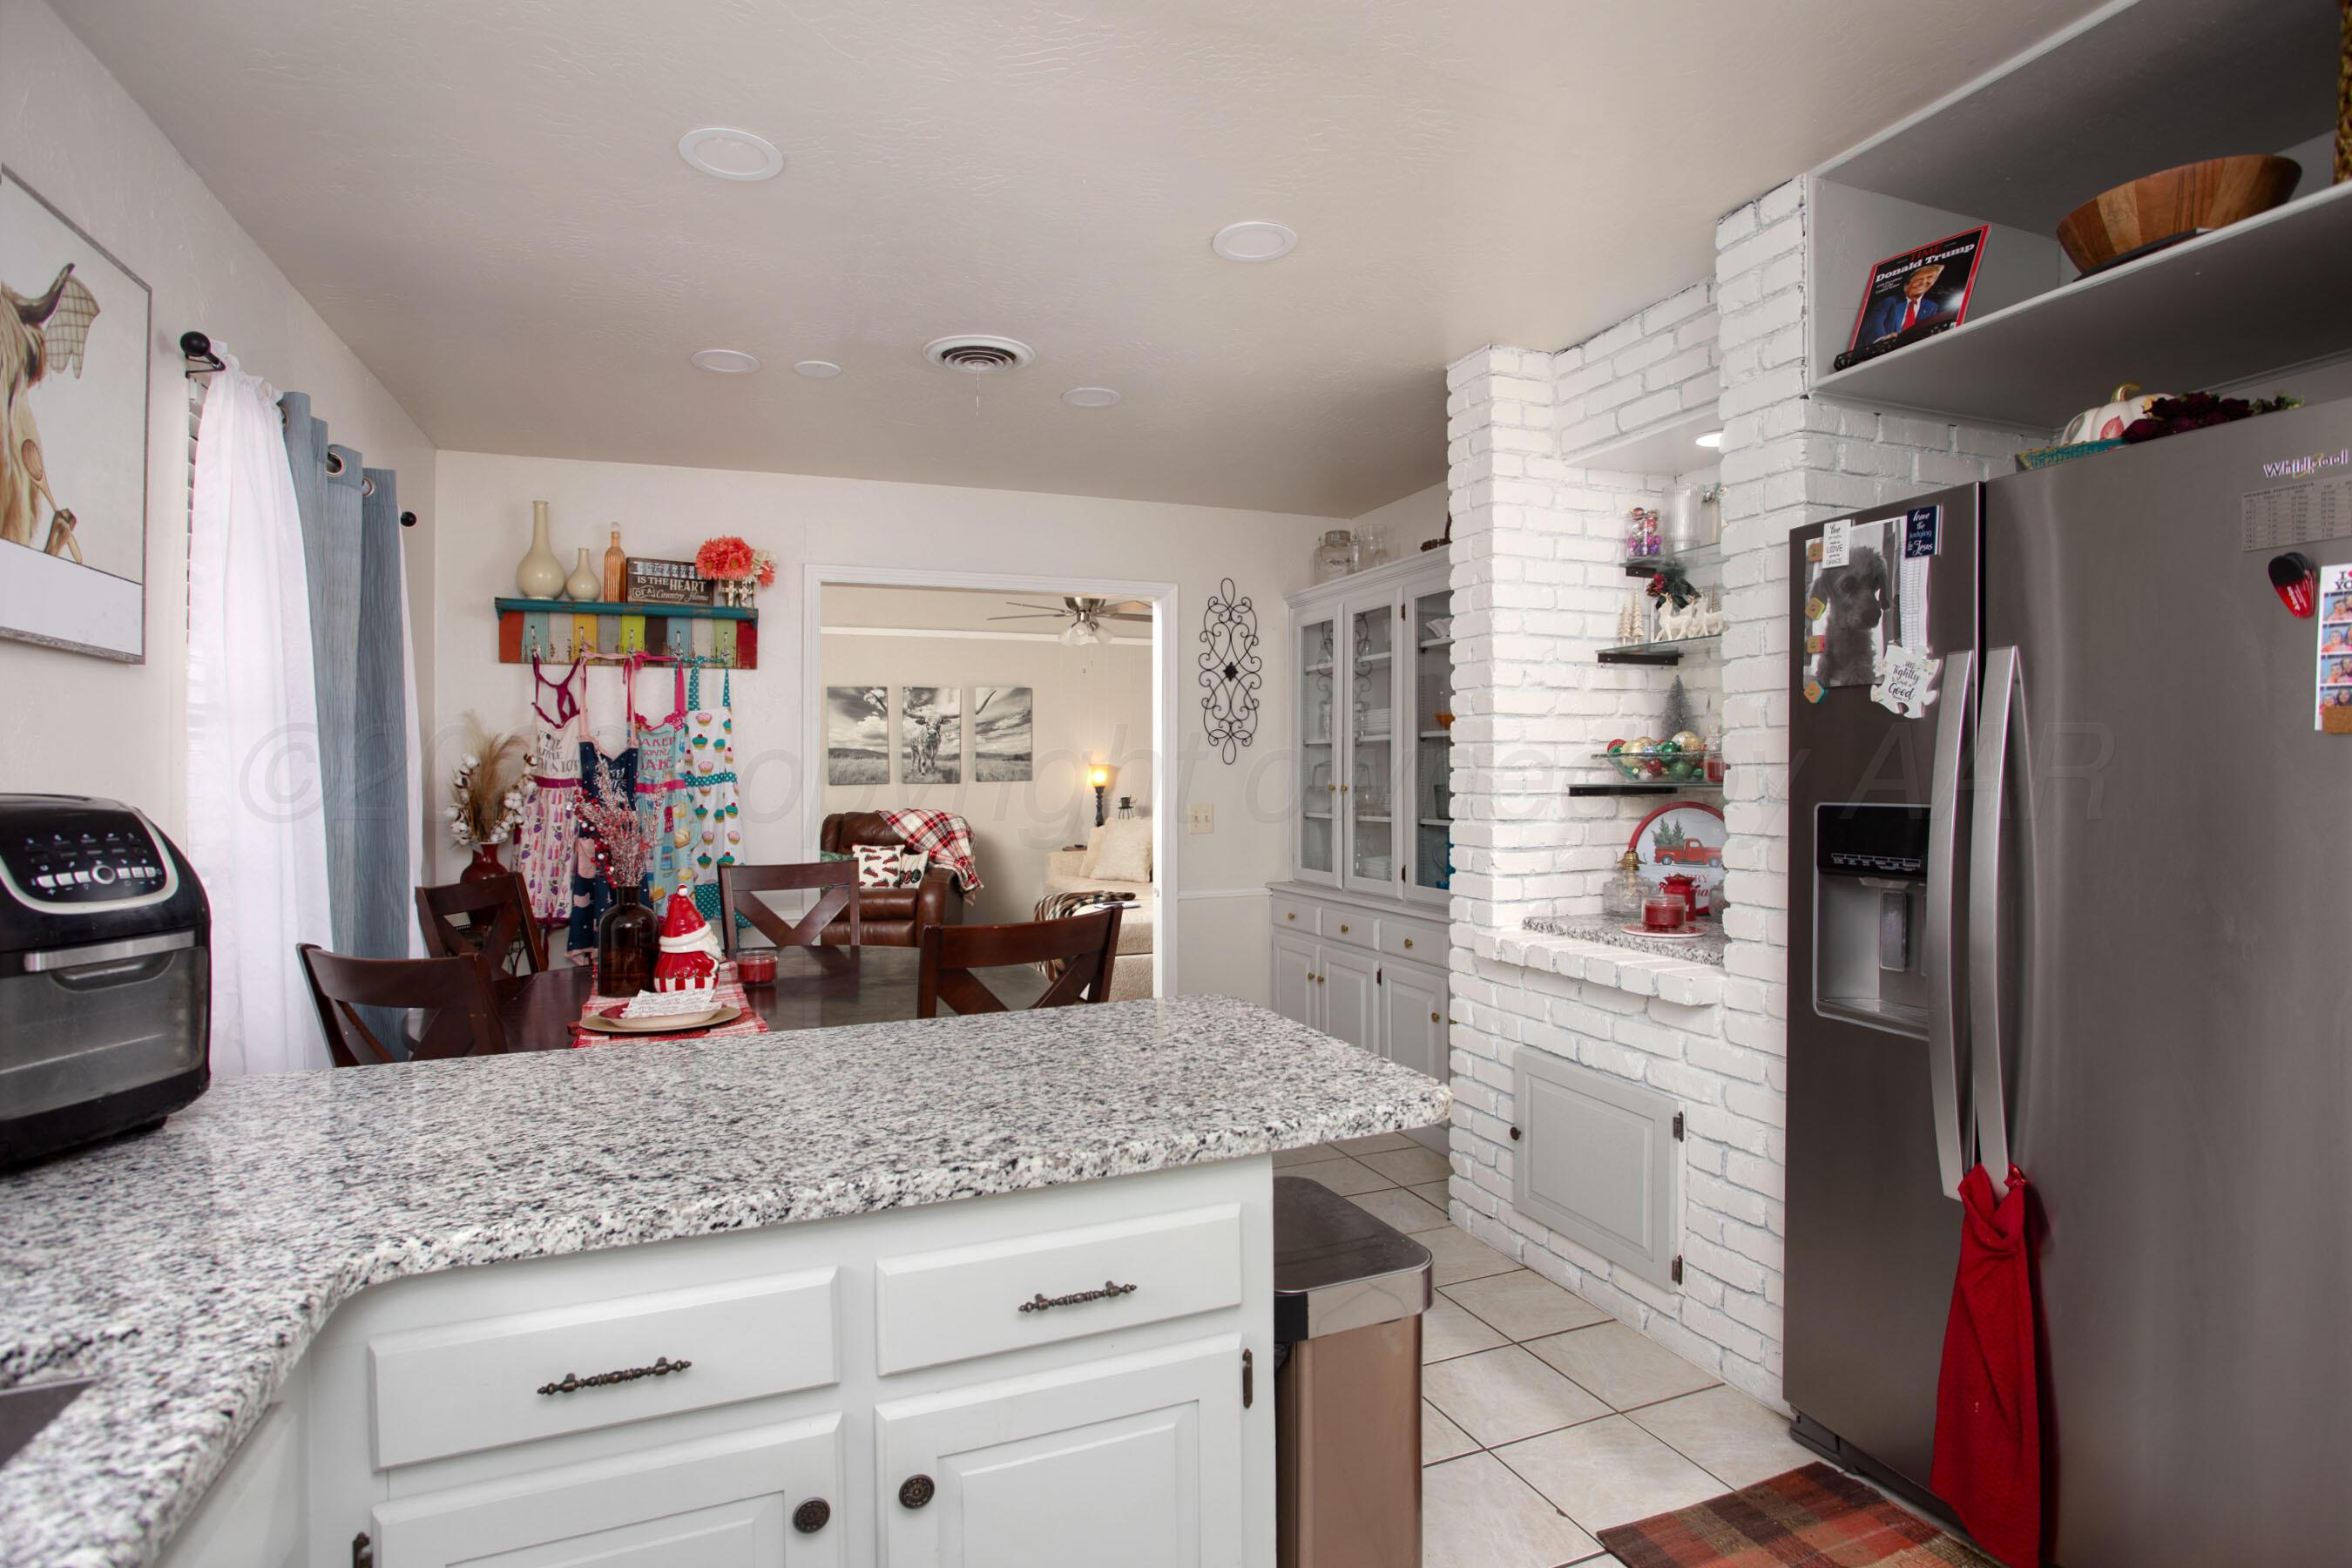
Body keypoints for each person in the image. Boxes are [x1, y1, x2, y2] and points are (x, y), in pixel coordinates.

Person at [1865, 261, 1945, 342]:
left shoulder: (1931, 307)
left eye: (1930, 278)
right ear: (1906, 284)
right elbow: (1875, 322)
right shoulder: (1889, 301)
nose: (1924, 282)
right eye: (1919, 279)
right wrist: (1882, 339)